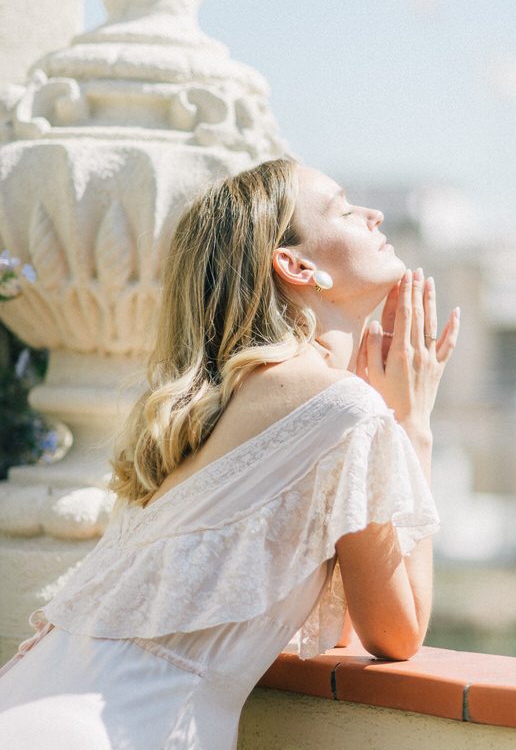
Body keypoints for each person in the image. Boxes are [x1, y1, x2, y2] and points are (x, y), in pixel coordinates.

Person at [0, 156, 460, 749]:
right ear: (295, 264)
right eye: (345, 210)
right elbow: (398, 632)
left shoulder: (220, 406)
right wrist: (411, 423)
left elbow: (339, 616)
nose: (373, 215)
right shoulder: (344, 411)